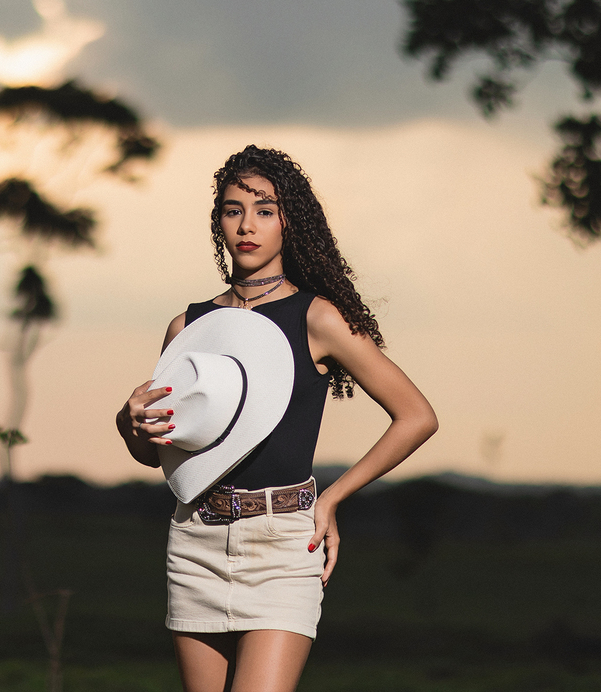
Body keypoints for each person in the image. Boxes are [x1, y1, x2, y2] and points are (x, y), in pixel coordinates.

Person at [116, 144, 438, 692]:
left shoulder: (318, 318)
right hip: (195, 540)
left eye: (265, 210)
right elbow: (156, 455)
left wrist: (332, 499)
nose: (247, 225)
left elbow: (417, 416)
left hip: (284, 544)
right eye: (233, 210)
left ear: (291, 223)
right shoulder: (187, 327)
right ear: (218, 221)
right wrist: (130, 424)